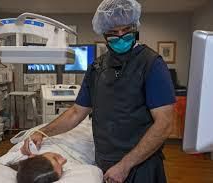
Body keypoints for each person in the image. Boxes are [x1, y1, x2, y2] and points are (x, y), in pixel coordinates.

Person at [21, 0, 175, 182]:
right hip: (105, 163)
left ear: (135, 27)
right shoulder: (97, 67)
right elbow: (76, 112)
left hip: (140, 165)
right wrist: (42, 132)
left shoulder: (151, 64)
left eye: (126, 31)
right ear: (104, 34)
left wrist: (125, 165)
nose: (120, 37)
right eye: (113, 33)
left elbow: (164, 125)